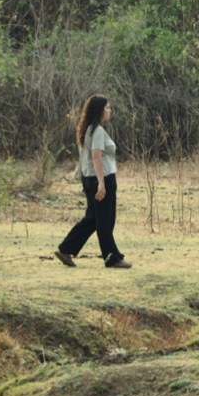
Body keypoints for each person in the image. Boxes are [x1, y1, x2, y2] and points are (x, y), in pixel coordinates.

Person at [55, 94, 132, 269]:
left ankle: (66, 248)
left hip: (89, 178)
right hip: (101, 178)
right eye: (107, 107)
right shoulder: (97, 131)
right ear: (99, 110)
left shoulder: (87, 129)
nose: (110, 110)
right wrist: (102, 183)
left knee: (92, 218)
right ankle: (112, 258)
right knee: (105, 220)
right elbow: (96, 156)